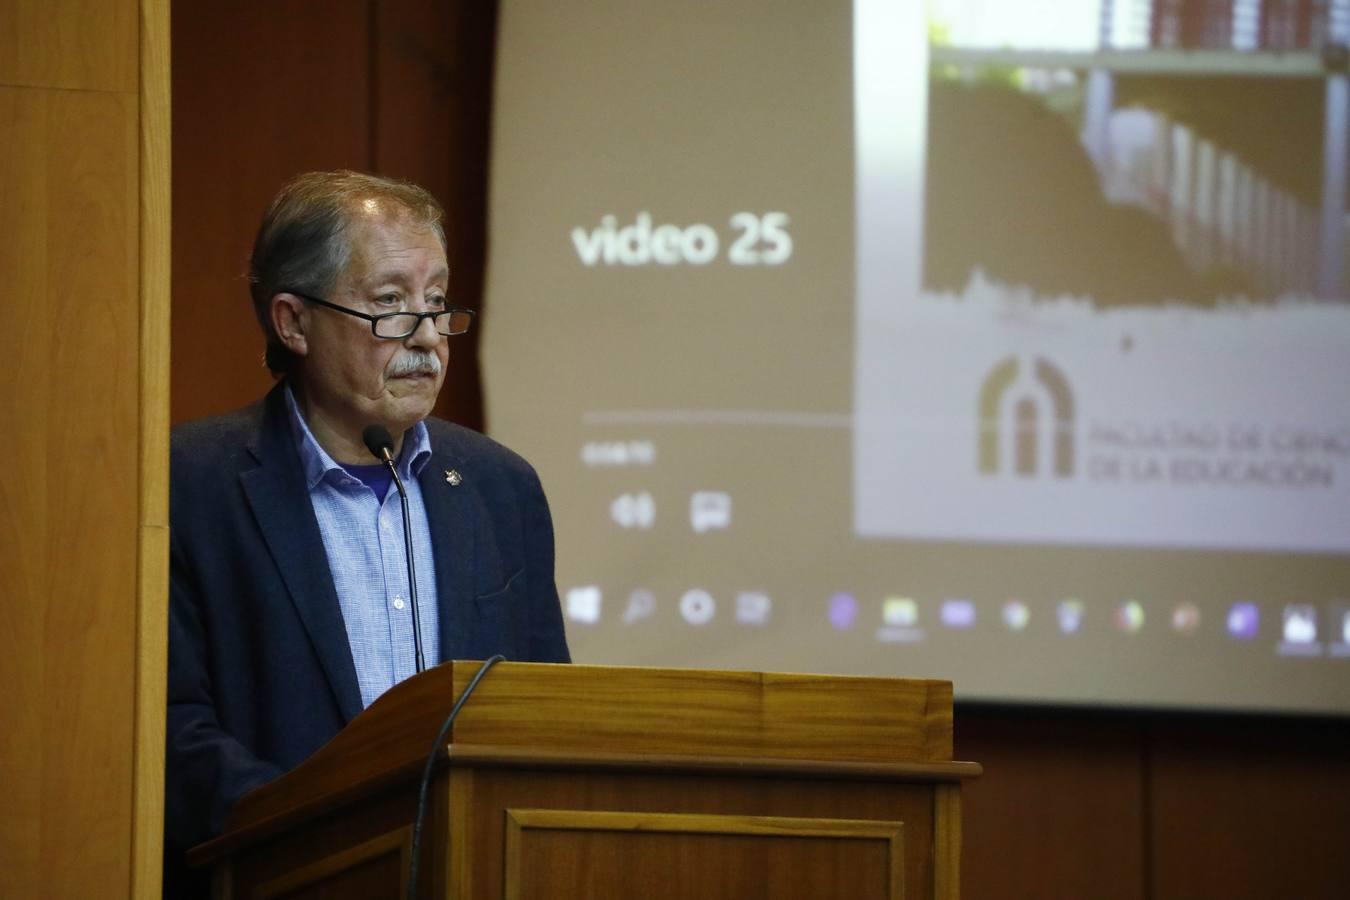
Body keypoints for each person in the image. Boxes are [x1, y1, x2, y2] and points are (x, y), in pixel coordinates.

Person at [164, 171, 569, 895]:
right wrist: (326, 838)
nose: (426, 340)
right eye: (389, 304)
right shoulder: (190, 485)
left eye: (437, 303)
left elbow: (547, 718)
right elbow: (172, 732)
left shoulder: (500, 487)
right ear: (292, 322)